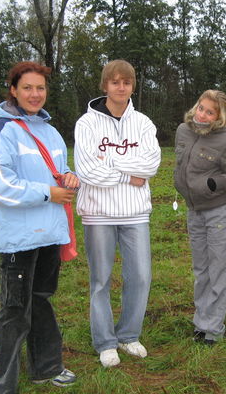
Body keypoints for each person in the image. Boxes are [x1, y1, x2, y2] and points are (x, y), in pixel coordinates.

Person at [0, 61, 79, 393]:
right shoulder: (1, 131)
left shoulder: (50, 132)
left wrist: (68, 177)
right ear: (13, 91)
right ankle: (3, 384)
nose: (35, 94)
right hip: (19, 239)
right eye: (27, 88)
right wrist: (47, 192)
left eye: (40, 88)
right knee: (14, 310)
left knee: (41, 301)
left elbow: (56, 173)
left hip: (49, 234)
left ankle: (46, 368)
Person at [74, 60, 161, 368]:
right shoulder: (87, 124)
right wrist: (128, 174)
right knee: (101, 279)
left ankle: (128, 335)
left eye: (126, 82)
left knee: (139, 275)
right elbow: (87, 170)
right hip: (99, 213)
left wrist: (111, 165)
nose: (120, 87)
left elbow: (150, 165)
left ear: (132, 86)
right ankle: (105, 341)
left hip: (135, 212)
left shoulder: (144, 123)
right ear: (105, 86)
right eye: (115, 82)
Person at [173, 90, 226, 345]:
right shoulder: (183, 130)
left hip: (217, 213)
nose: (202, 115)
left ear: (219, 117)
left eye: (210, 112)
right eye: (201, 108)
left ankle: (213, 329)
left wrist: (214, 183)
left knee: (218, 270)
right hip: (194, 211)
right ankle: (201, 322)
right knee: (201, 270)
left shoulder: (225, 142)